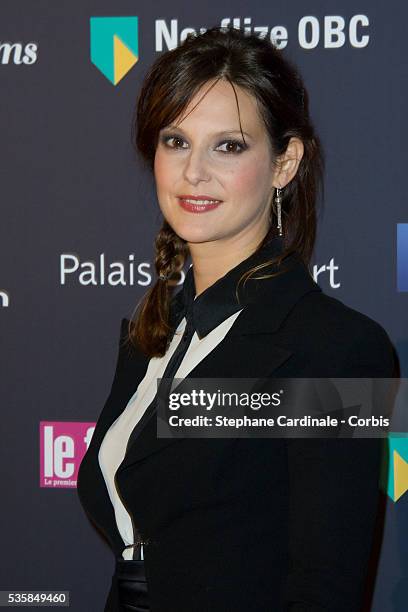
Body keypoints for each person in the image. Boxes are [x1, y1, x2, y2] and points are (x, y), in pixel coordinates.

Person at [77, 26, 396, 611]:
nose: (193, 172)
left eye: (228, 145)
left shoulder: (344, 350)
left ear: (285, 162)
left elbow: (327, 588)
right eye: (176, 140)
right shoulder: (148, 335)